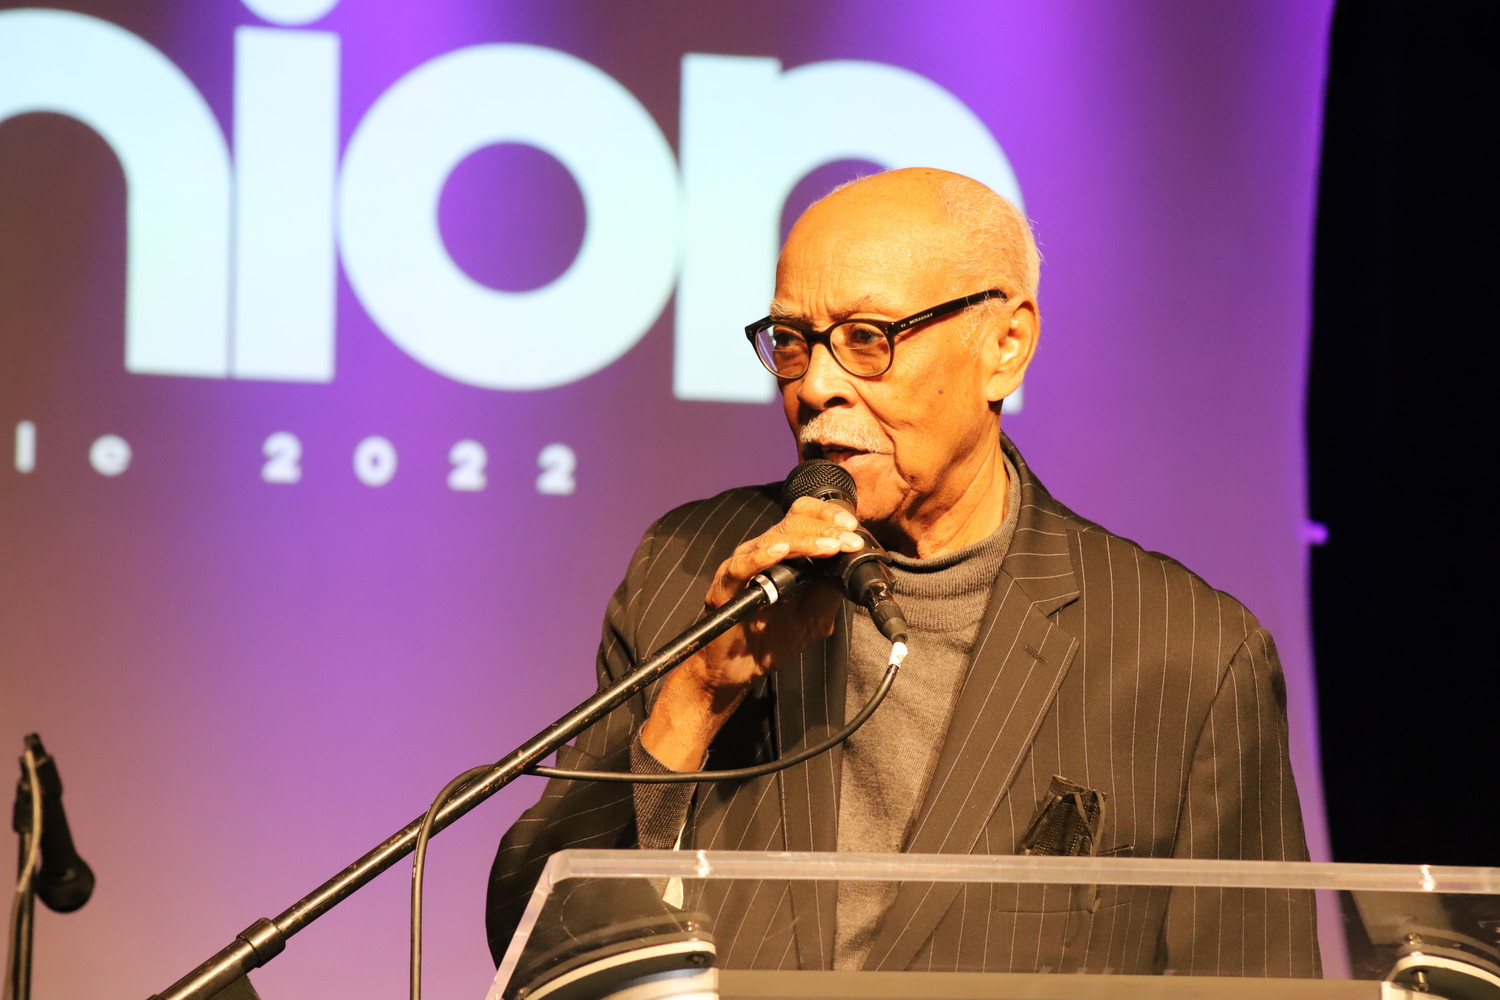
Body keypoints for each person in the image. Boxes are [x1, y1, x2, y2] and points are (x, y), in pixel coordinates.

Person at [486, 167, 1319, 977]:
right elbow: (533, 933)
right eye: (791, 342)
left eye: (866, 339)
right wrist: (694, 698)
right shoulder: (688, 568)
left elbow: (1257, 975)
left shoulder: (1189, 655)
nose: (816, 385)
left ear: (1005, 346)